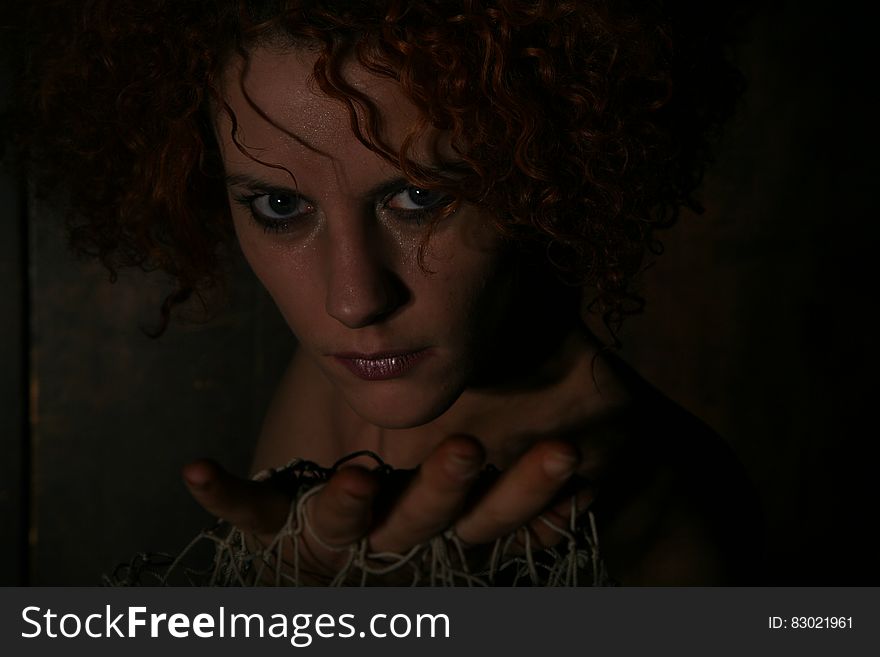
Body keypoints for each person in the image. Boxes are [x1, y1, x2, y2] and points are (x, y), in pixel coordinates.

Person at [13, 0, 762, 584]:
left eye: (418, 197)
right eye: (280, 207)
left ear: (547, 172)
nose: (351, 300)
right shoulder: (351, 371)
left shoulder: (649, 493)